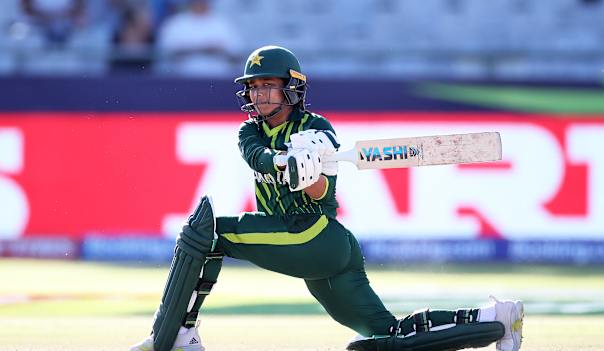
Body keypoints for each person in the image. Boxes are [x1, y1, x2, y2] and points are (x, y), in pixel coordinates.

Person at [130, 45, 524, 351]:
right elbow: (257, 156)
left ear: (291, 88)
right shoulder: (248, 132)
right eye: (254, 86)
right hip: (323, 257)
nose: (260, 94)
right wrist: (285, 161)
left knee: (207, 230)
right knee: (388, 336)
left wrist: (311, 172)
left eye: (269, 85)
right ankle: (496, 317)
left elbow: (322, 193)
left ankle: (175, 335)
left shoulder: (317, 128)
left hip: (315, 235)